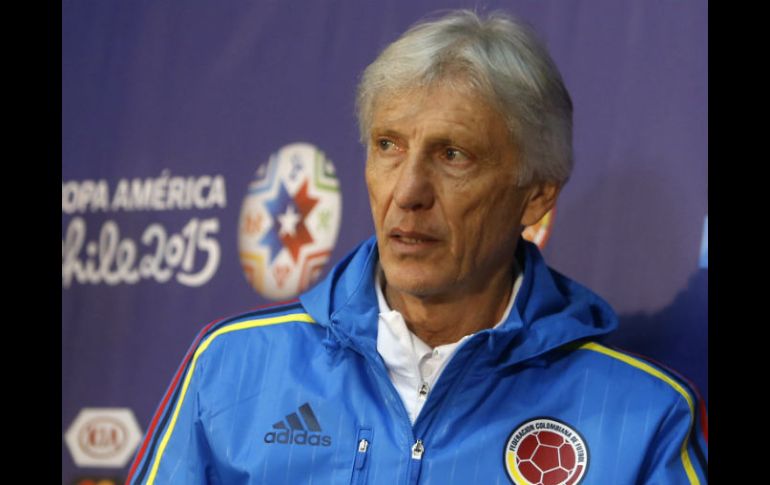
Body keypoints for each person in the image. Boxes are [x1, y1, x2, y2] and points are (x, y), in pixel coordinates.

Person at [126, 10, 707, 485]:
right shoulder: (232, 367)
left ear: (535, 198)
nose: (407, 192)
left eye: (453, 155)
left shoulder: (643, 415)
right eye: (388, 146)